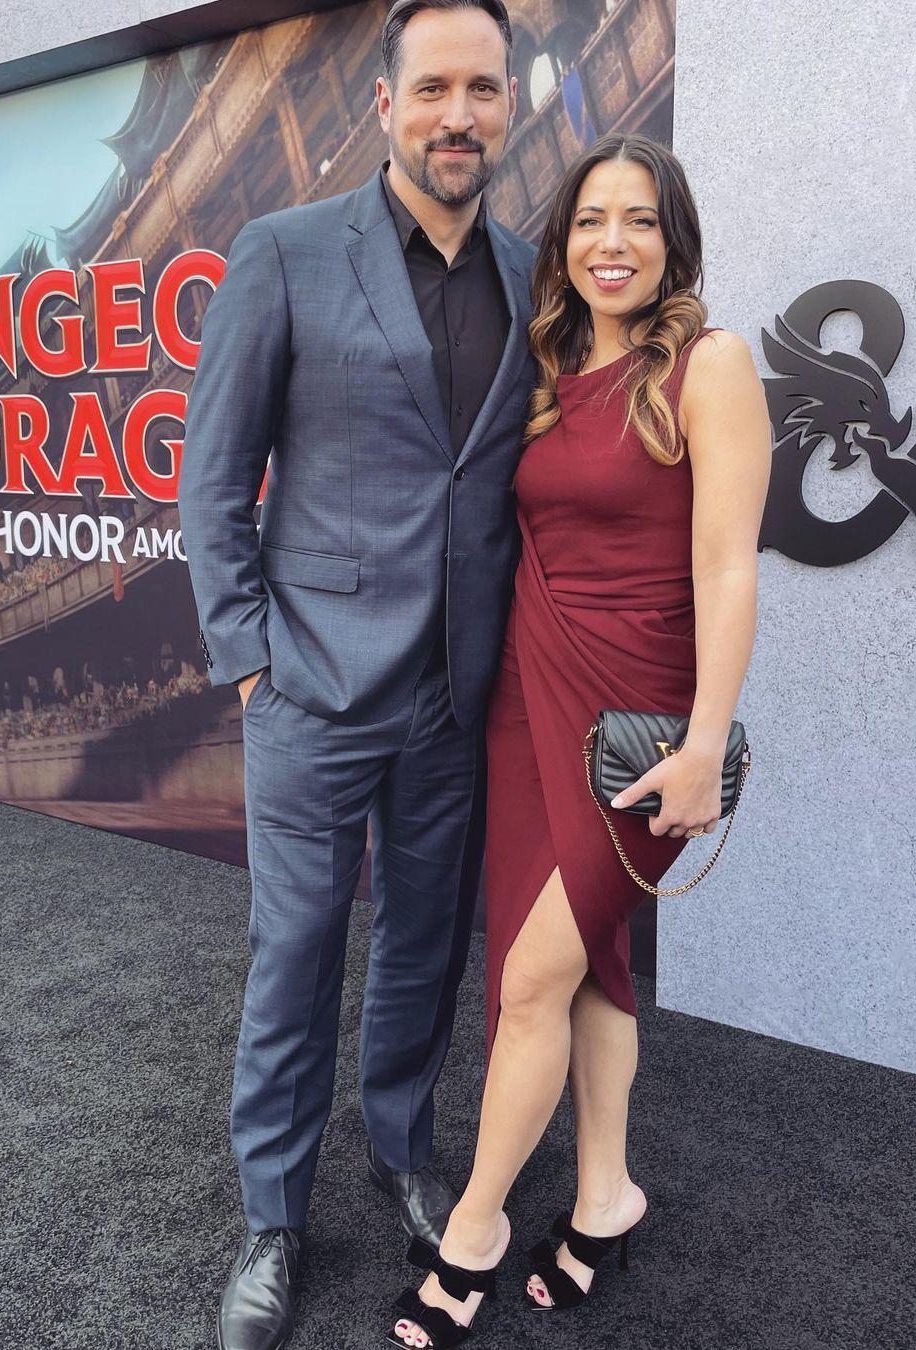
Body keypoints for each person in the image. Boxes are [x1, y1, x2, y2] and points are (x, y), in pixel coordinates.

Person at [177, 2, 536, 1345]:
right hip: (313, 692)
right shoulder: (283, 252)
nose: (458, 114)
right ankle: (273, 1218)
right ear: (386, 104)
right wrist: (252, 665)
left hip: (455, 694)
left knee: (426, 949)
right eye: (433, 87)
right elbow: (212, 480)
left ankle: (403, 1151)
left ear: (509, 105)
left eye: (481, 89)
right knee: (296, 955)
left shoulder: (532, 271)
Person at [389, 133, 771, 1347]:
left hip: (643, 724)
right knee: (590, 964)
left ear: (674, 241)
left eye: (640, 220)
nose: (614, 242)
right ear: (563, 244)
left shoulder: (712, 365)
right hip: (528, 697)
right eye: (593, 220)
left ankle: (474, 1231)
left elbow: (728, 568)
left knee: (529, 983)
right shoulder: (548, 368)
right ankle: (605, 1197)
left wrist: (706, 745)